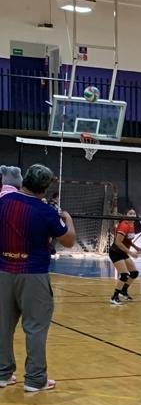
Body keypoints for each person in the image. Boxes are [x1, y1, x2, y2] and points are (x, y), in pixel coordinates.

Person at [0, 163, 75, 392]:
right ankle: (34, 379)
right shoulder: (45, 212)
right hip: (33, 275)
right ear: (44, 188)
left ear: (24, 181)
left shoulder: (3, 202)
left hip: (3, 272)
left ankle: (2, 374)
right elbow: (68, 241)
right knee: (35, 328)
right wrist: (68, 220)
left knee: (3, 326)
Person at [109, 208, 141, 306]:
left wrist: (135, 247)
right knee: (124, 275)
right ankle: (114, 297)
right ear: (126, 215)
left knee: (134, 273)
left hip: (123, 252)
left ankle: (123, 291)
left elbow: (127, 240)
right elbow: (118, 242)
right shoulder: (124, 225)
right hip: (115, 252)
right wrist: (130, 253)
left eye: (134, 213)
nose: (132, 215)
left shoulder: (132, 225)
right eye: (130, 213)